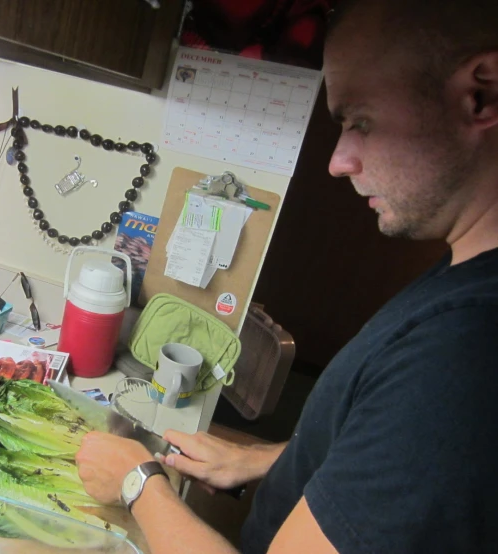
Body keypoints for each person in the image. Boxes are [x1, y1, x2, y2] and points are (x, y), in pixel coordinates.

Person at [75, 1, 498, 552]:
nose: (338, 160)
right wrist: (265, 458)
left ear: (481, 94)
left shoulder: (465, 351)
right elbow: (386, 446)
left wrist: (138, 484)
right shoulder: (463, 281)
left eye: (361, 121)